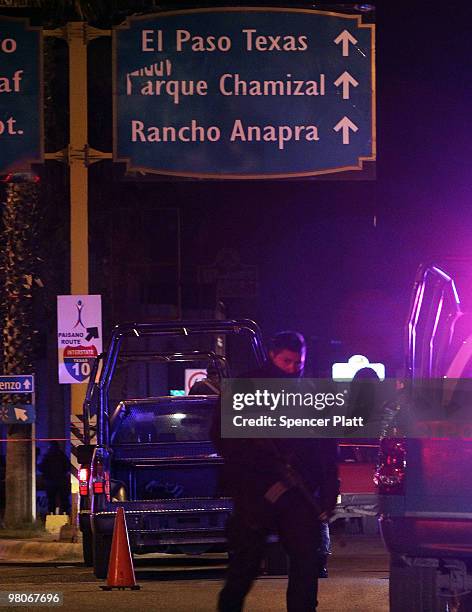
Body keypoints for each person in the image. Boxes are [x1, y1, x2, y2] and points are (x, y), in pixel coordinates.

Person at [214, 331, 338, 611]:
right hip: (256, 493)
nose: (293, 368)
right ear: (272, 356)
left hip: (298, 492)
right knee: (244, 566)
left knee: (306, 562)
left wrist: (330, 489)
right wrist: (257, 469)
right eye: (287, 361)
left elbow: (327, 448)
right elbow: (223, 438)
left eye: (298, 362)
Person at [38, 441, 71, 515]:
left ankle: (51, 513)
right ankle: (66, 513)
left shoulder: (47, 456)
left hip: (50, 481)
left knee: (51, 499)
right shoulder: (62, 455)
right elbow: (68, 467)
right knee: (64, 498)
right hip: (61, 480)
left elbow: (42, 468)